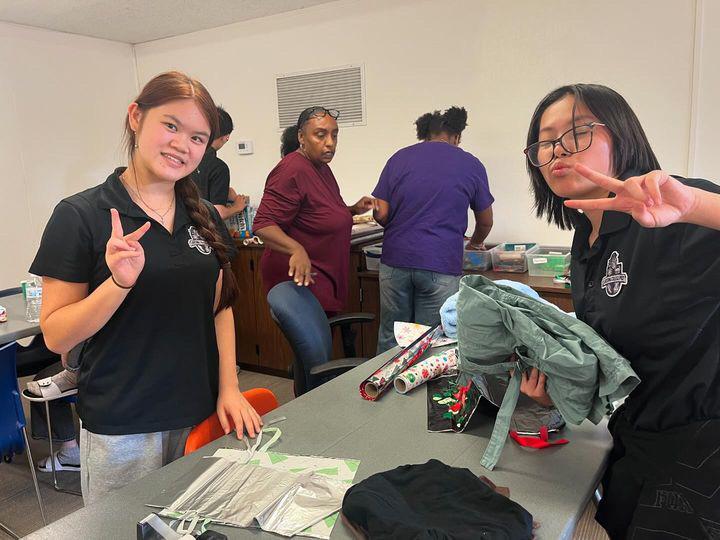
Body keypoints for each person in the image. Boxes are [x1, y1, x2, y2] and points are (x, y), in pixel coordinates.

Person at [29, 71, 262, 504]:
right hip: (124, 427)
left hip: (200, 412)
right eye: (171, 125)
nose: (182, 145)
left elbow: (220, 308)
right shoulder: (80, 215)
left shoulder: (205, 214)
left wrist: (229, 387)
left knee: (196, 525)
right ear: (136, 118)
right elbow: (57, 335)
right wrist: (118, 283)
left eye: (197, 137)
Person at [520, 83, 720, 538]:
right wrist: (561, 392)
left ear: (623, 136)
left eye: (577, 132)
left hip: (703, 456)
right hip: (637, 440)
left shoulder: (675, 212)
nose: (558, 150)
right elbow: (617, 354)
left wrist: (696, 204)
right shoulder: (587, 239)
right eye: (545, 142)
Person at [372, 107, 494, 353]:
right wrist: (474, 243)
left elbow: (381, 213)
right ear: (456, 136)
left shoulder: (399, 158)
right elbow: (485, 222)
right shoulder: (470, 164)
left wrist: (400, 225)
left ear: (425, 134)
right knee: (432, 342)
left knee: (390, 338)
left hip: (395, 261)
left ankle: (383, 377)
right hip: (440, 263)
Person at [253, 106, 375, 314]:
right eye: (320, 135)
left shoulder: (321, 167)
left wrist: (352, 210)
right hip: (302, 277)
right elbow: (263, 224)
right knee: (314, 334)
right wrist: (296, 249)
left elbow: (319, 213)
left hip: (324, 273)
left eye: (334, 135)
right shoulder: (291, 169)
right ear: (301, 137)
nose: (330, 142)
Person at [192, 106, 249, 220]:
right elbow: (218, 213)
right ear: (226, 137)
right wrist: (236, 207)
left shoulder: (184, 158)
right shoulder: (218, 168)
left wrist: (222, 191)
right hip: (201, 228)